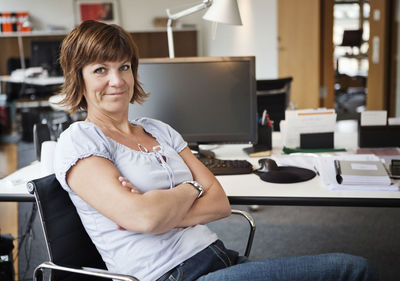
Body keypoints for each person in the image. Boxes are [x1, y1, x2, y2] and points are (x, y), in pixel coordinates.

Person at [53, 20, 379, 281]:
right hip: (171, 274)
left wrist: (164, 210)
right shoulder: (81, 140)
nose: (117, 80)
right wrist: (189, 190)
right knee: (353, 268)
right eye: (100, 70)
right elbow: (144, 216)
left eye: (124, 67)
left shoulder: (157, 129)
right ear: (78, 80)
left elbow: (220, 203)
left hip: (219, 257)